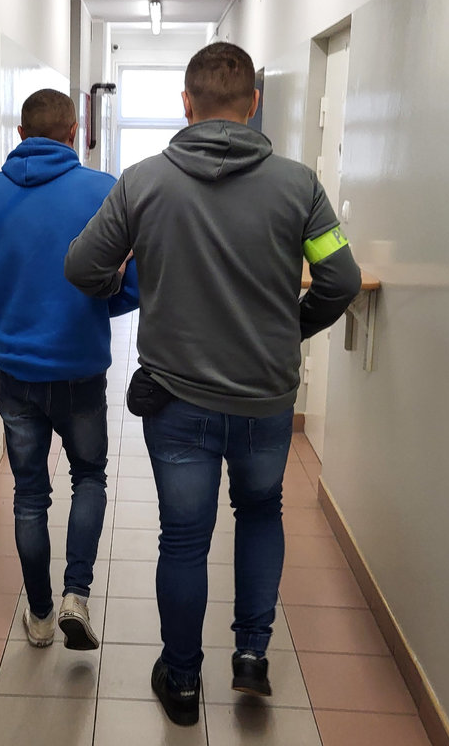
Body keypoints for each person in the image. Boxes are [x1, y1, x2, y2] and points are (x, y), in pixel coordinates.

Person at [64, 43, 361, 725]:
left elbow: (83, 267)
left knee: (183, 540)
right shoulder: (300, 187)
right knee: (260, 514)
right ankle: (251, 655)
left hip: (177, 399)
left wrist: (139, 281)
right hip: (265, 400)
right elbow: (340, 279)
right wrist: (291, 329)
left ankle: (182, 680)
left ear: (186, 104)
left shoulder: (142, 183)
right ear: (253, 103)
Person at [0, 88, 138, 651]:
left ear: (20, 134)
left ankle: (38, 613)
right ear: (74, 131)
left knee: (30, 495)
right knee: (89, 477)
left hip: (16, 376)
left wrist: (10, 307)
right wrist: (91, 310)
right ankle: (76, 594)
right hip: (80, 370)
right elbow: (133, 286)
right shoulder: (103, 190)